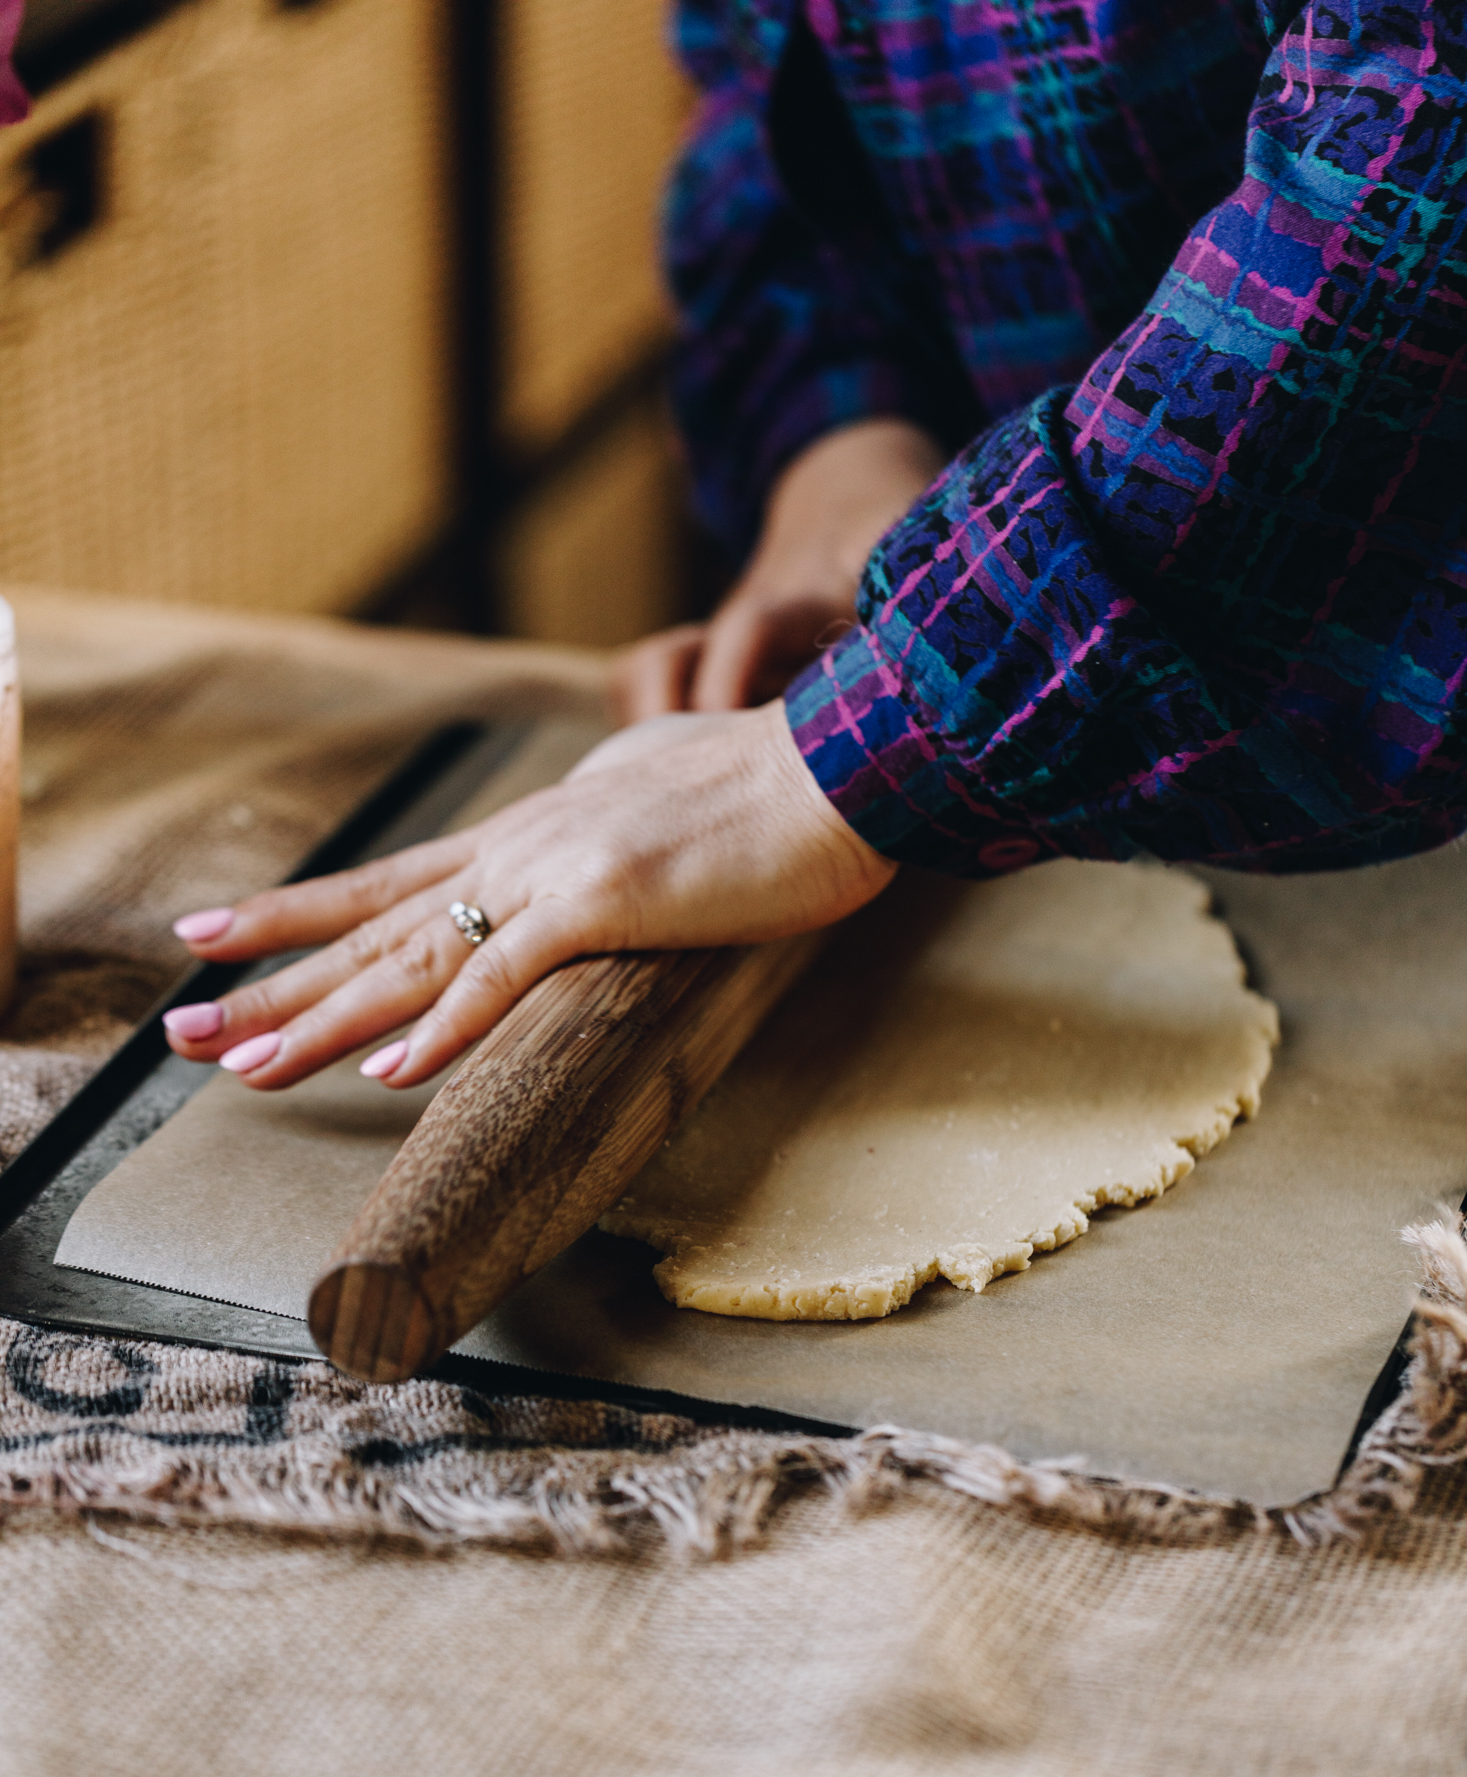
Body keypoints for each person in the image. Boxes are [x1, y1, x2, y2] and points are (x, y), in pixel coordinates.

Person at [11, 4, 1467, 1092]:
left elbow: (1412, 178)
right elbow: (775, 77)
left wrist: (850, 750)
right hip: (1055, 703)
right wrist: (851, 436)